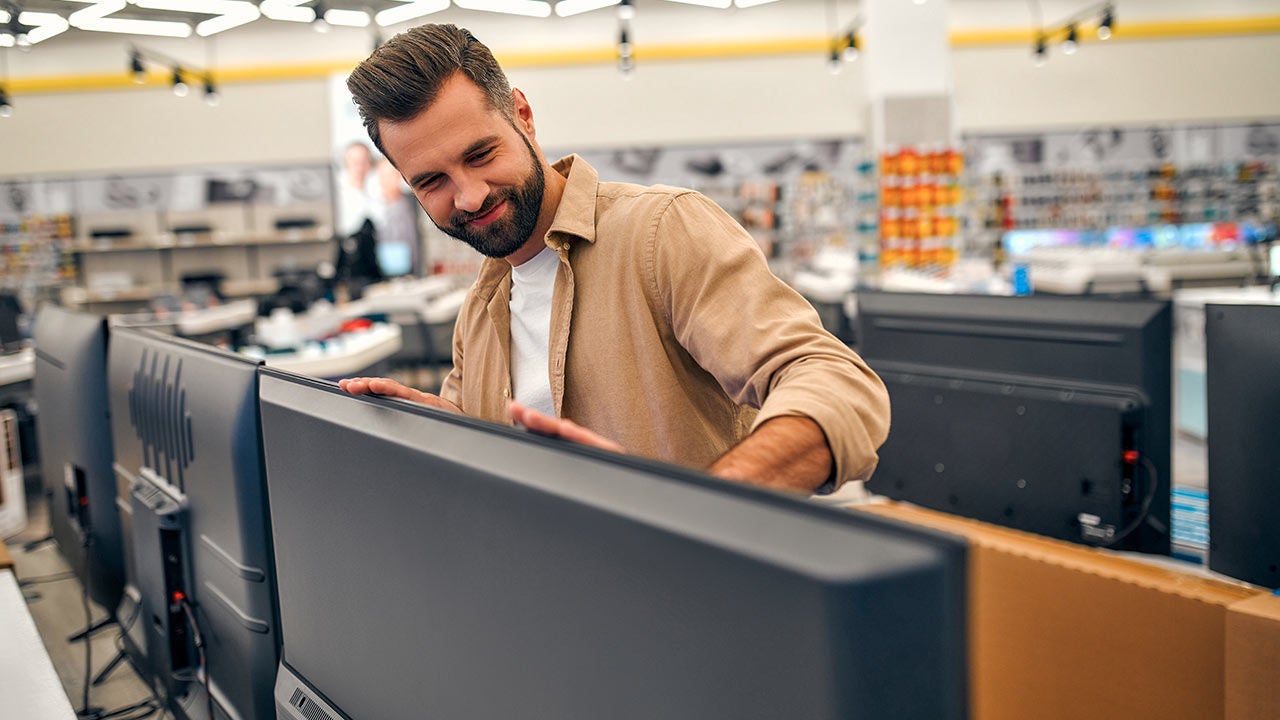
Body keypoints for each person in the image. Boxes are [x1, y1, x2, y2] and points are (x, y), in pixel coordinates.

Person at [338, 24, 889, 494]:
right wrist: (451, 431)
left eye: (481, 154)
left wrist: (707, 509)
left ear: (523, 116)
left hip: (690, 595)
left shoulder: (662, 232)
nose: (470, 196)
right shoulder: (481, 309)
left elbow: (833, 380)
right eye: (432, 181)